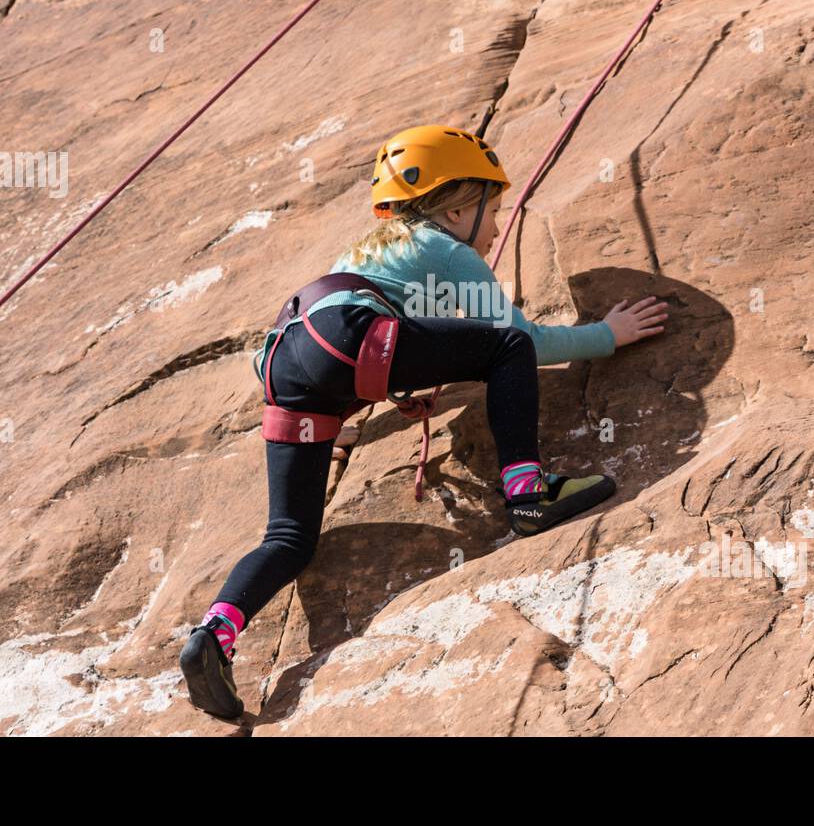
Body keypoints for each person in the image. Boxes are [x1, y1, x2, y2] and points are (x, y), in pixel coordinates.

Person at [179, 124, 669, 718]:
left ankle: (214, 635)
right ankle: (528, 494)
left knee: (289, 538)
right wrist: (605, 336)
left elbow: (344, 350)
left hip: (285, 362)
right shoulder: (441, 246)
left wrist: (349, 411)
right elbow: (522, 339)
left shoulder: (370, 252)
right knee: (505, 347)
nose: (494, 229)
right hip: (348, 340)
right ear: (459, 206)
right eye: (493, 210)